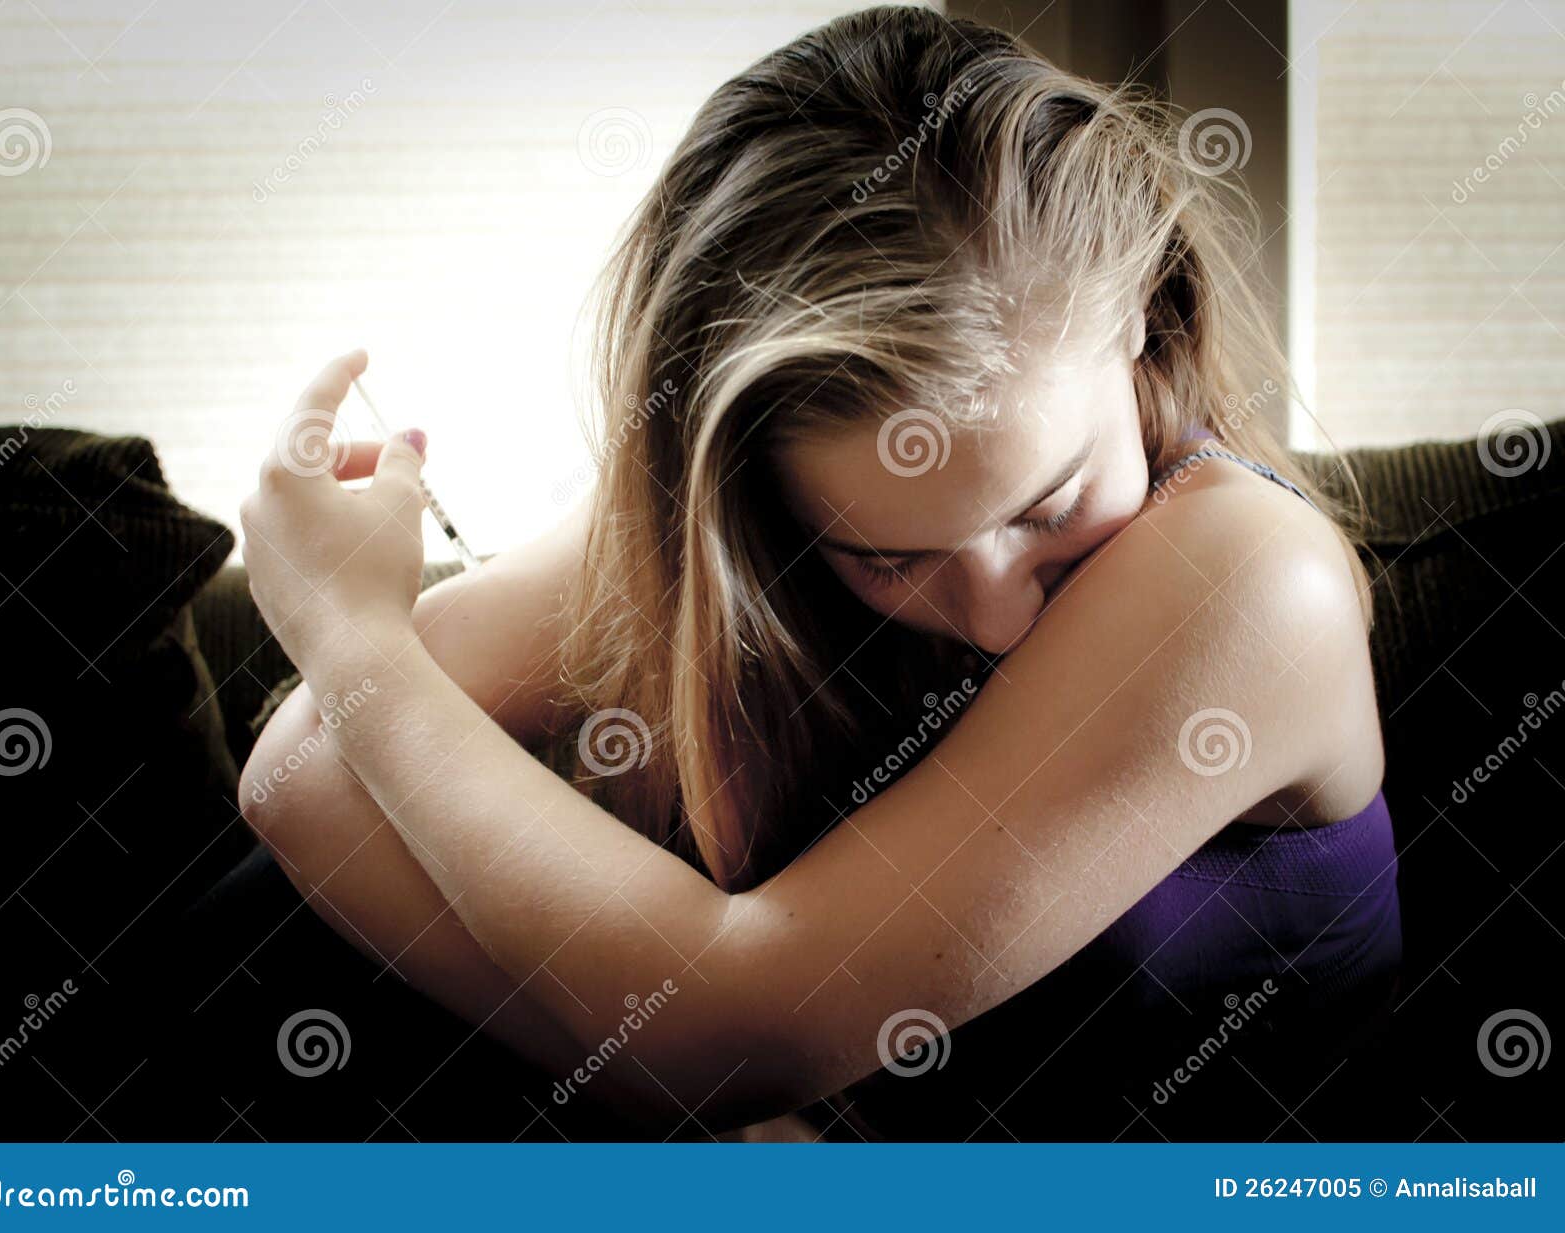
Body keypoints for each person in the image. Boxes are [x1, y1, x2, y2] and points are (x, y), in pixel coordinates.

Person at [236, 6, 1400, 1140]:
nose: (995, 618)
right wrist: (709, 1101)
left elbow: (719, 1041)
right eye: (888, 556)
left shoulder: (1249, 577)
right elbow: (300, 779)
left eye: (1045, 506)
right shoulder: (750, 498)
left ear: (1142, 311)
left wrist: (345, 627)